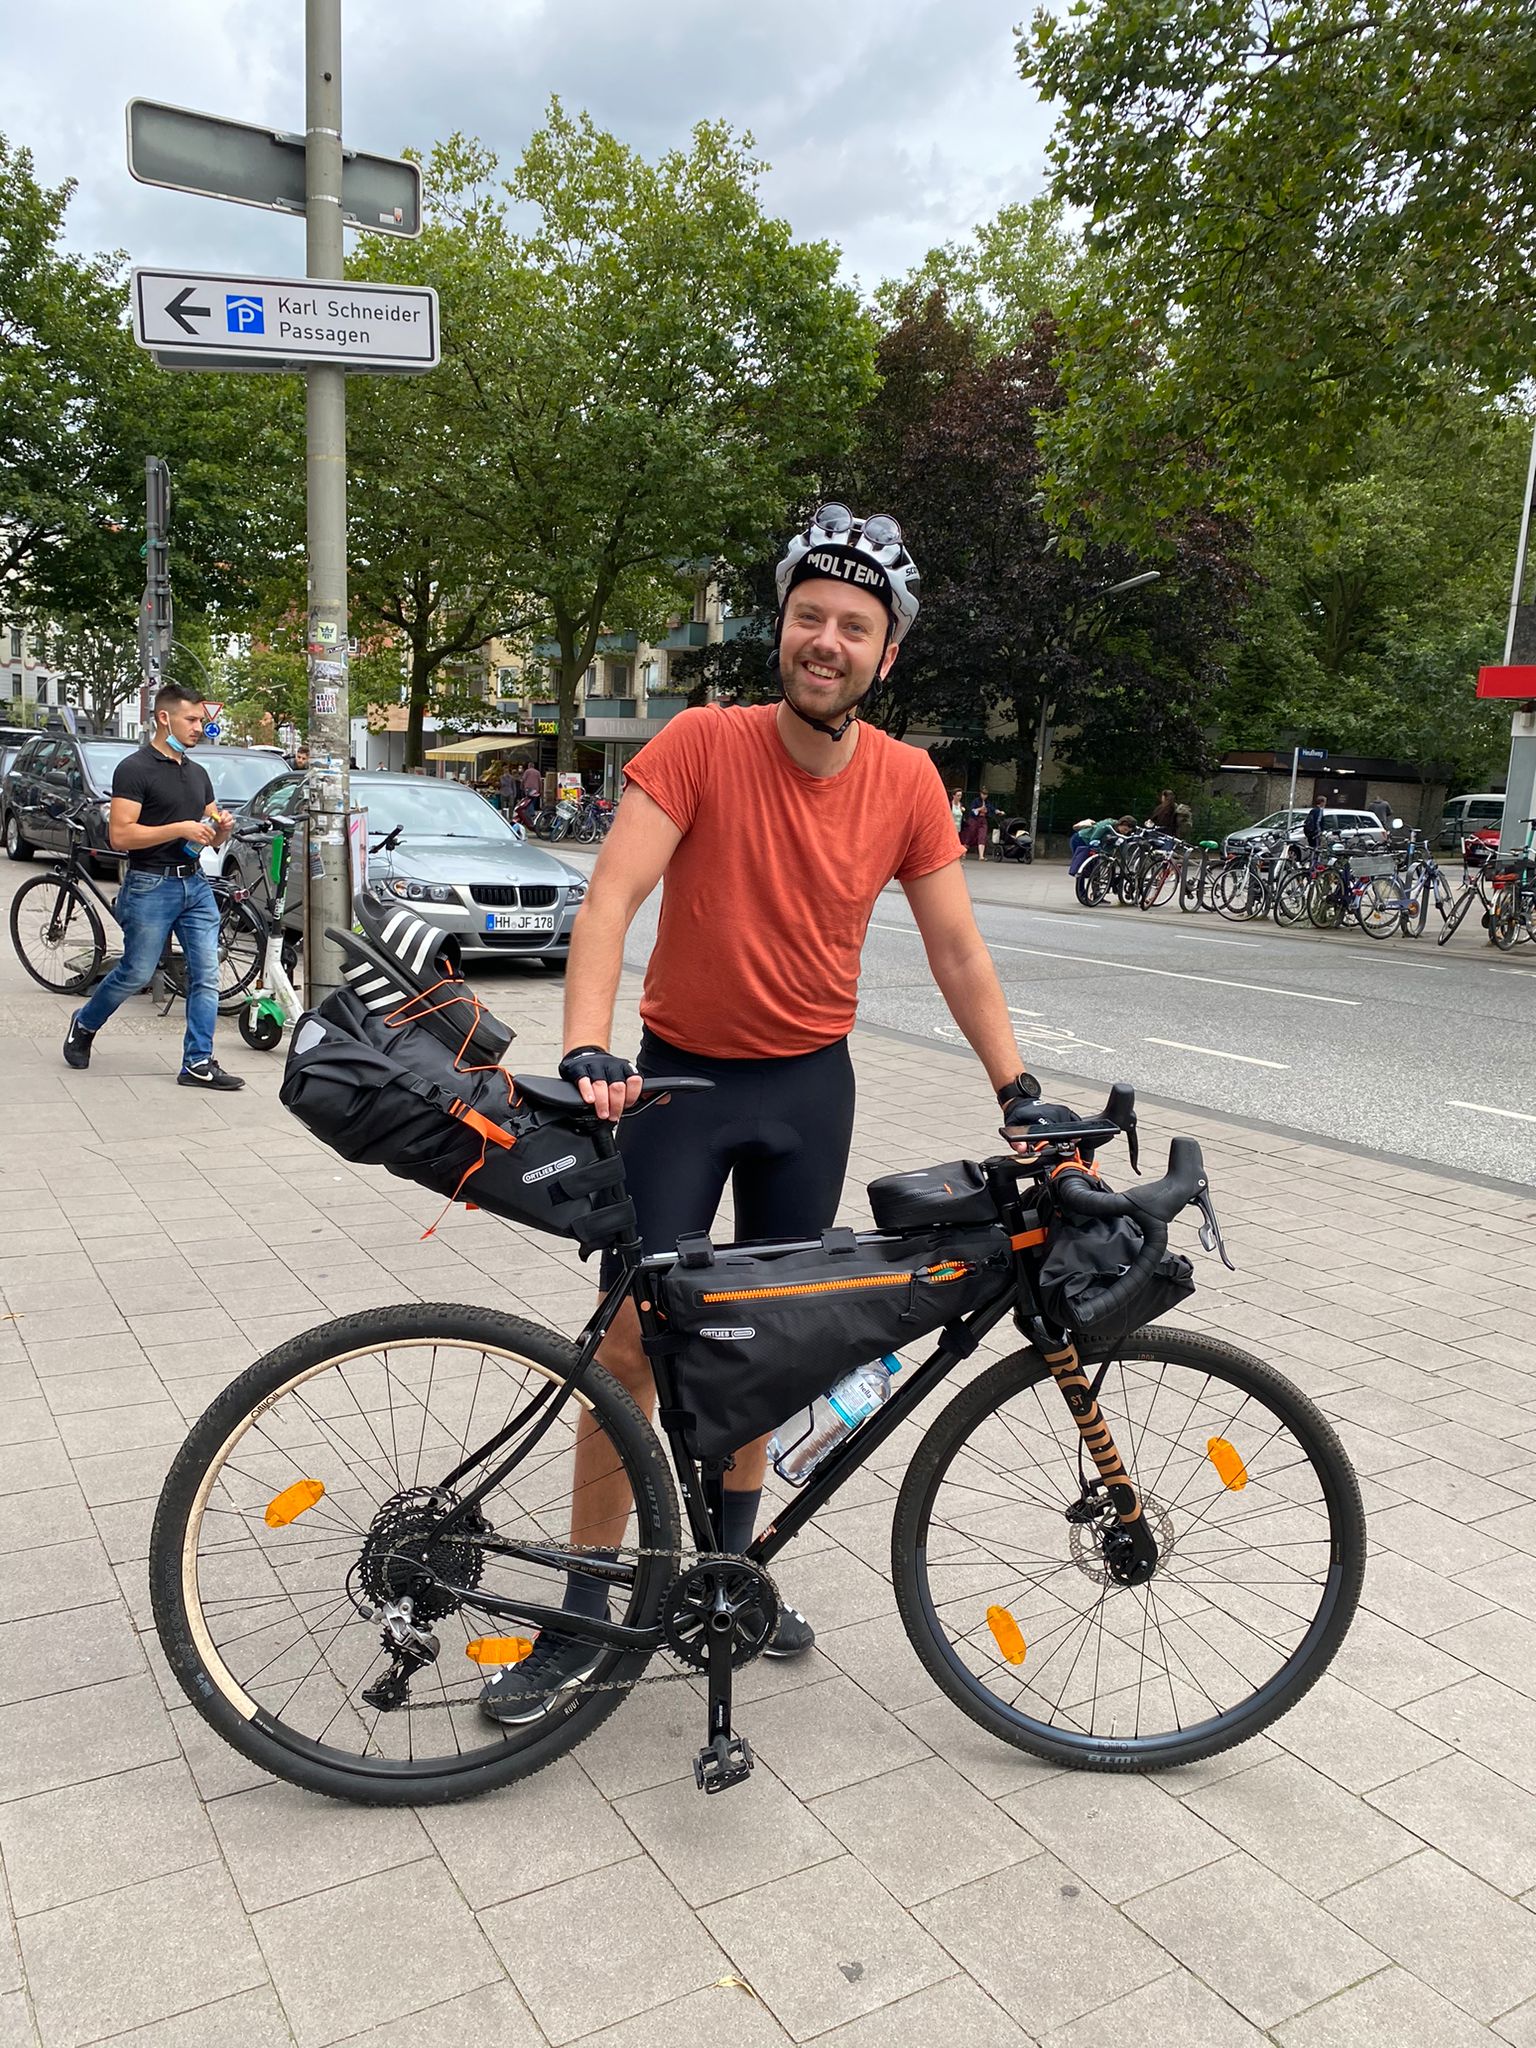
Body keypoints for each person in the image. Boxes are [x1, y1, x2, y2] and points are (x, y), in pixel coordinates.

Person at [479, 502, 1049, 1723]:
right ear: (780, 630)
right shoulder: (699, 741)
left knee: (764, 1353)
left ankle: (728, 1577)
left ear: (885, 653)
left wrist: (1018, 1091)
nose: (827, 640)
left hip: (808, 1091)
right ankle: (587, 1604)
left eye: (855, 625)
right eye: (809, 618)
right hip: (679, 1084)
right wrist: (585, 1039)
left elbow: (956, 949)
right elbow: (612, 898)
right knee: (627, 1346)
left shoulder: (904, 779)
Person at [63, 683, 244, 1091]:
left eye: (202, 720)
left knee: (206, 974)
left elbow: (209, 835)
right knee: (136, 971)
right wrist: (179, 827)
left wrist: (220, 831)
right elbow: (120, 837)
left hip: (195, 885)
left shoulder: (197, 774)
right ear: (165, 719)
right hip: (150, 886)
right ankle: (85, 1023)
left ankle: (197, 1062)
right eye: (192, 720)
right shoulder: (135, 768)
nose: (200, 727)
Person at [959, 794, 991, 860]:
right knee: (969, 836)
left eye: (986, 794)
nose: (984, 796)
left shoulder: (987, 802)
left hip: (983, 820)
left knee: (982, 836)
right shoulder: (975, 801)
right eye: (983, 794)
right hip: (974, 820)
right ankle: (963, 853)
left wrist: (990, 811)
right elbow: (972, 811)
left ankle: (981, 856)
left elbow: (991, 809)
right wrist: (979, 809)